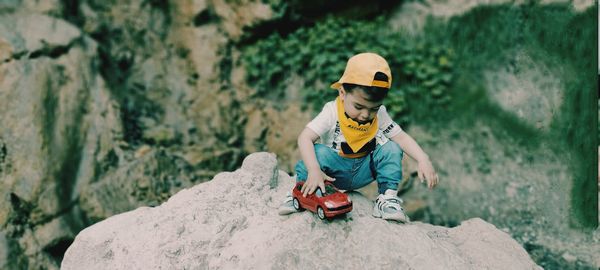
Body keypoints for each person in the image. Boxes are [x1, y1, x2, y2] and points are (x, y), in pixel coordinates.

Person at [279, 52, 439, 222]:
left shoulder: (380, 115)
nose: (365, 115)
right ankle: (302, 191)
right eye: (358, 106)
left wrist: (423, 159)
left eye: (373, 109)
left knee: (392, 148)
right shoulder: (332, 112)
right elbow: (304, 138)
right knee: (318, 152)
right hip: (332, 174)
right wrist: (314, 170)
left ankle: (387, 199)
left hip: (364, 169)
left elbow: (401, 138)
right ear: (342, 93)